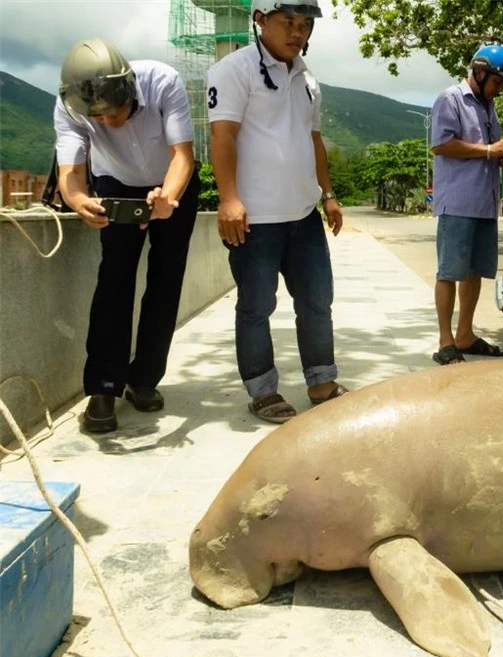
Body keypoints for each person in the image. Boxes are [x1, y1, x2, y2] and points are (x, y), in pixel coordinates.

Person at [207, 0, 347, 424]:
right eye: (288, 22)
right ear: (260, 20)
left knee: (317, 300)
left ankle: (321, 382)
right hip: (255, 218)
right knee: (255, 306)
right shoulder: (232, 71)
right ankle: (263, 390)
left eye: (304, 25)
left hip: (303, 215)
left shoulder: (307, 79)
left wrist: (328, 194)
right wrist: (229, 199)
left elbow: (314, 140)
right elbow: (223, 136)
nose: (297, 33)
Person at [55, 38, 201, 434]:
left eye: (114, 113)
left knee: (165, 283)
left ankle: (143, 380)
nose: (107, 123)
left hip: (173, 185)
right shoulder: (69, 104)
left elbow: (182, 155)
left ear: (129, 90)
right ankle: (103, 389)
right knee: (114, 282)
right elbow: (71, 170)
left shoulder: (162, 81)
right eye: (96, 118)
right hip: (115, 186)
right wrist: (79, 200)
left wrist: (167, 198)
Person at [429, 45, 503, 365]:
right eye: (497, 82)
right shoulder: (450, 99)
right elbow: (441, 144)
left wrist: (502, 157)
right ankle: (445, 341)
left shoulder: (488, 106)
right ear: (479, 73)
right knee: (449, 272)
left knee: (474, 272)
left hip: (485, 203)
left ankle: (465, 334)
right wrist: (488, 150)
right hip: (457, 203)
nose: (500, 89)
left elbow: (487, 151)